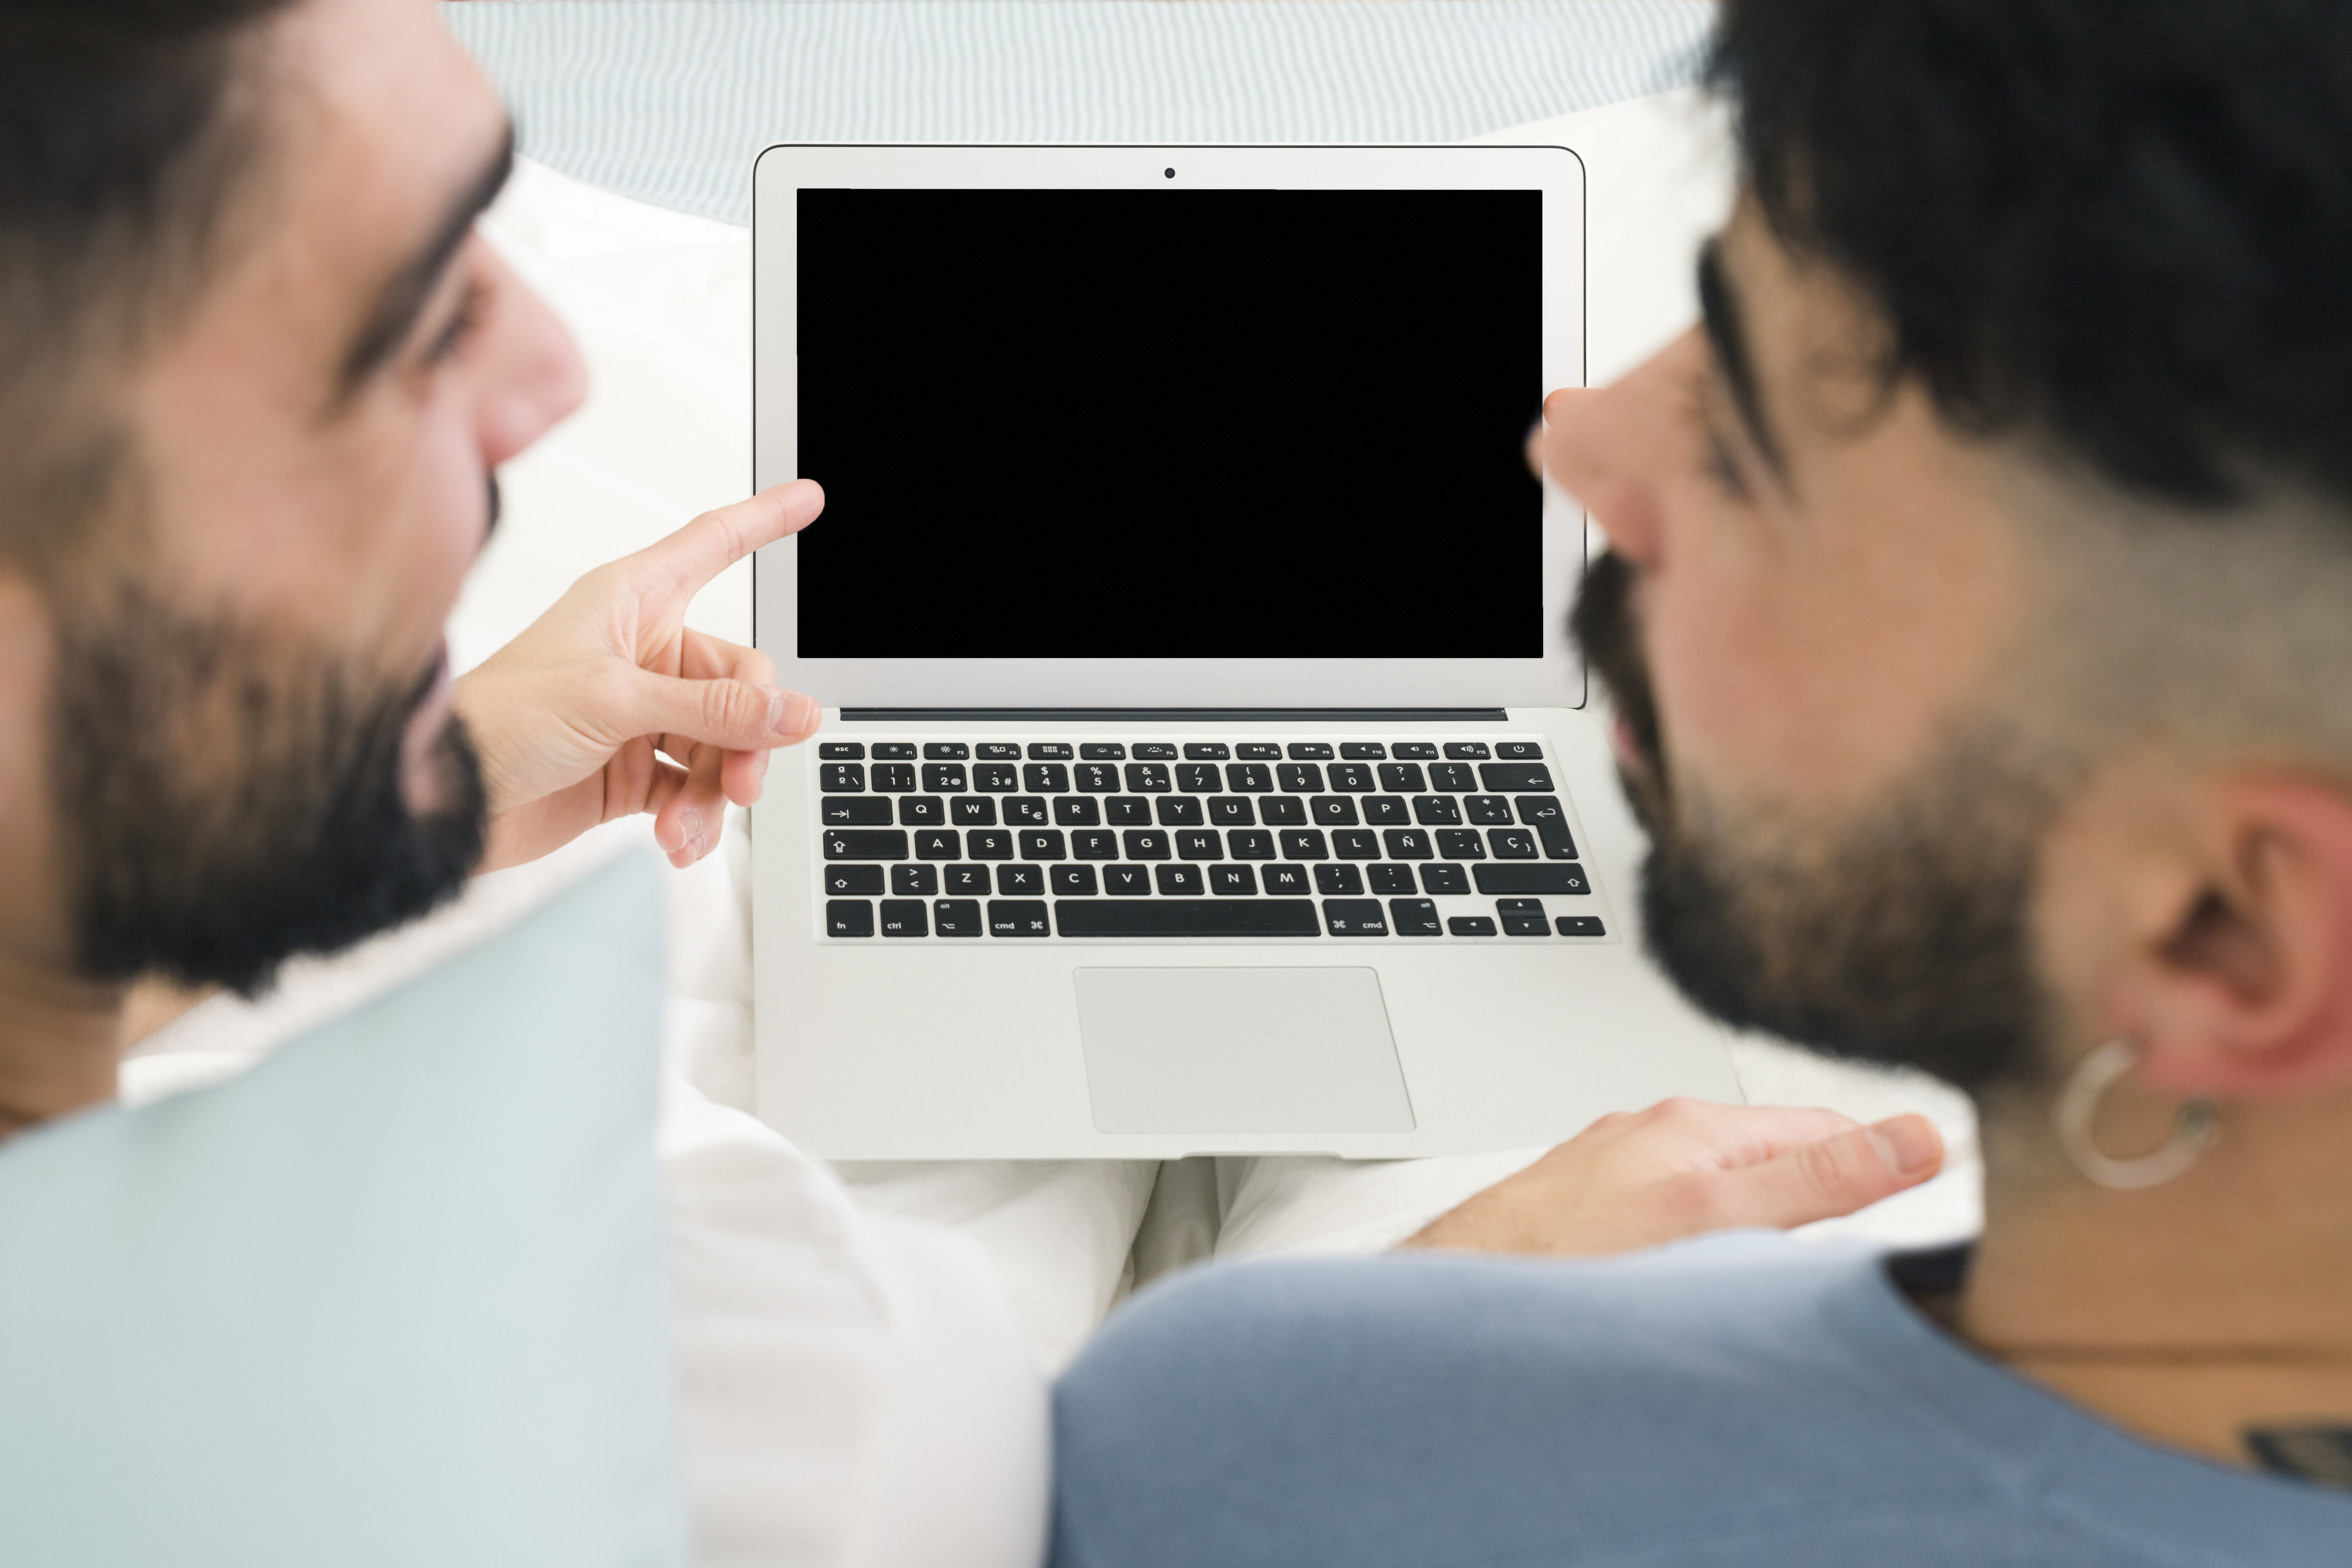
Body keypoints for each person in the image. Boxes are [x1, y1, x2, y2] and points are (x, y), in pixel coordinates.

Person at [0, 1, 1955, 1563]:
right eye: (420, 315)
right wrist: (1450, 1317)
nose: (554, 380)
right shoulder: (682, 1354)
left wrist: (417, 796)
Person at [1049, 0, 2352, 1562]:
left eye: (1741, 438)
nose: (1577, 442)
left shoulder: (1254, 1452)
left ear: (2226, 936)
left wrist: (1410, 1360)